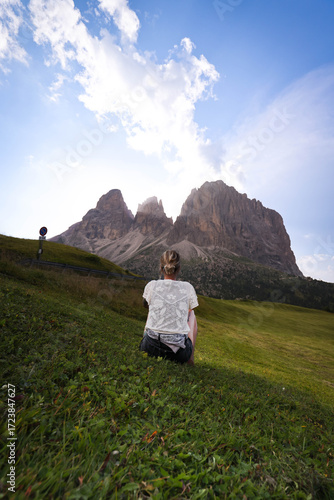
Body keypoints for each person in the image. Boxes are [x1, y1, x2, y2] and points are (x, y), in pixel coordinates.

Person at [139, 250, 198, 365]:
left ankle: (146, 344)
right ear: (179, 268)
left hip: (149, 348)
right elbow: (189, 310)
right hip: (178, 354)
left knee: (152, 307)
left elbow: (145, 305)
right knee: (192, 314)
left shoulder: (152, 285)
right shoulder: (187, 287)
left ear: (161, 268)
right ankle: (190, 358)